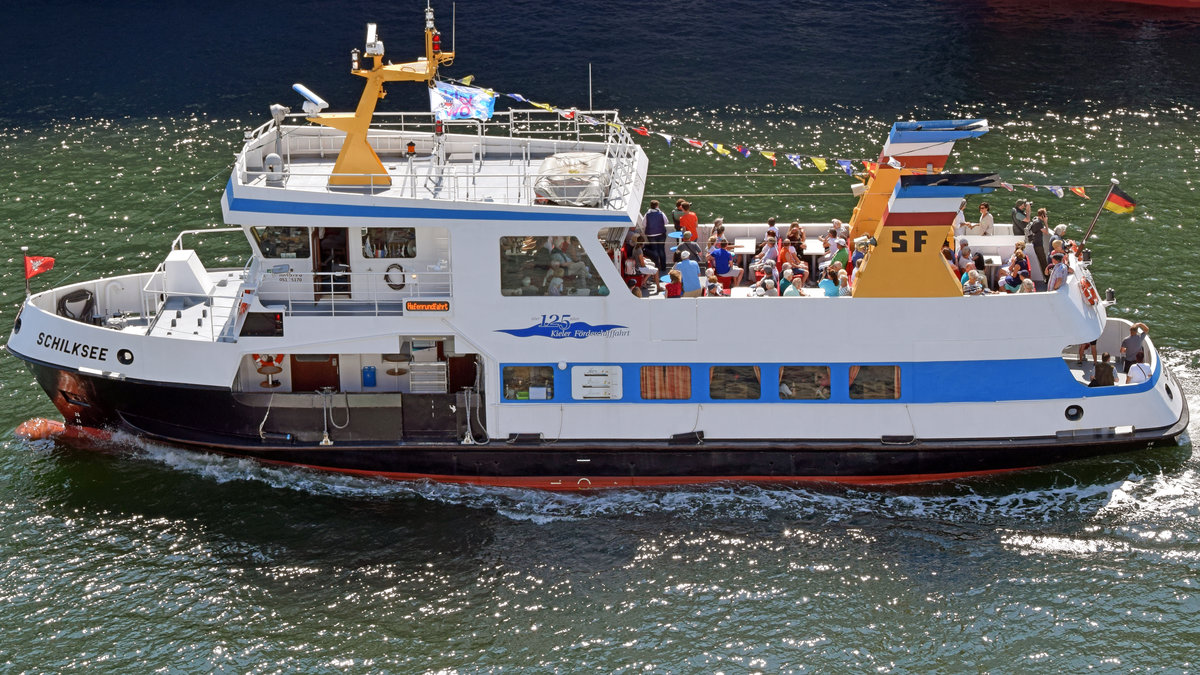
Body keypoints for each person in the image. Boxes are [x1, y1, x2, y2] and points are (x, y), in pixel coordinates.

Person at [642, 199, 669, 273]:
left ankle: (657, 267)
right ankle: (663, 267)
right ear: (657, 206)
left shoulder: (647, 214)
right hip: (661, 234)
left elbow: (643, 224)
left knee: (655, 251)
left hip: (651, 235)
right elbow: (666, 222)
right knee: (661, 250)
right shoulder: (661, 213)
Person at [1028, 207, 1049, 274]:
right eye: (1045, 214)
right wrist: (1045, 222)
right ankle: (1046, 276)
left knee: (1042, 260)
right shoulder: (1039, 223)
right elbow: (1046, 232)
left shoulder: (1035, 220)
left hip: (1035, 242)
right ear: (1043, 215)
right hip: (1038, 244)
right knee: (1043, 261)